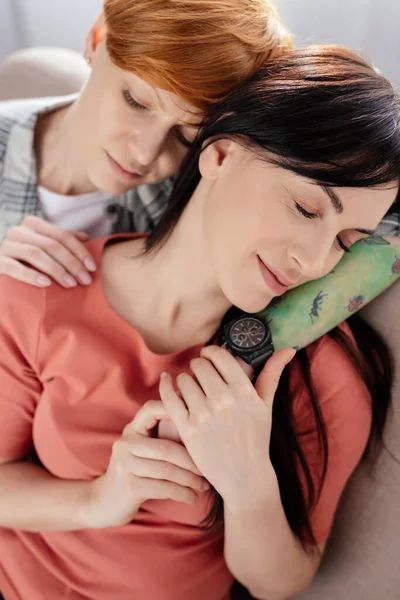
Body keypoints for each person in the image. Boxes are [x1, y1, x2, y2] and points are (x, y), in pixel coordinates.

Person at [0, 45, 399, 600]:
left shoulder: (320, 373)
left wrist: (247, 480)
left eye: (344, 242)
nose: (313, 260)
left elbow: (279, 582)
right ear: (219, 155)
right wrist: (98, 498)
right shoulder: (39, 291)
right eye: (307, 209)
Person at [0, 0, 291, 287]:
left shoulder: (186, 210)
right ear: (97, 38)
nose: (144, 154)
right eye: (136, 102)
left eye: (184, 137)